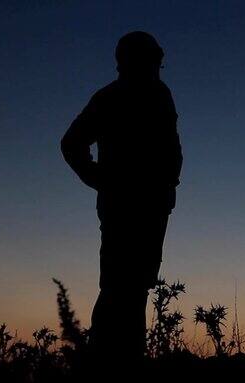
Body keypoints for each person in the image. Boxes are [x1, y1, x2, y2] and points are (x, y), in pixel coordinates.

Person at [60, 31, 182, 363]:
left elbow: (170, 145)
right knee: (118, 288)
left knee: (136, 287)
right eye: (150, 59)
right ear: (128, 61)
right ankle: (106, 364)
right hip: (122, 209)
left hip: (155, 208)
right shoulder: (109, 99)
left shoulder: (161, 94)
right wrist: (101, 179)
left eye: (157, 60)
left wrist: (169, 182)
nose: (156, 66)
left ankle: (127, 360)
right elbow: (71, 143)